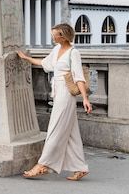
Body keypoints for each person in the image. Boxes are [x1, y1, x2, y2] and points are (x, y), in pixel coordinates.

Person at [17, 23, 92, 181]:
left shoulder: (74, 53)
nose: (52, 37)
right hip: (57, 92)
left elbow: (79, 77)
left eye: (55, 34)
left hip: (67, 94)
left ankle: (43, 165)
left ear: (63, 36)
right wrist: (26, 58)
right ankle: (80, 168)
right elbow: (45, 64)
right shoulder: (57, 49)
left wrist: (85, 98)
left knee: (55, 129)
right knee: (71, 133)